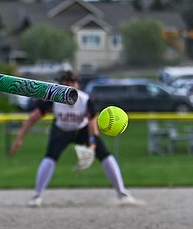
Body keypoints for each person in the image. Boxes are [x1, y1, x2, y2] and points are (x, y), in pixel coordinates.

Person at [8, 69, 141, 207]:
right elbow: (32, 118)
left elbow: (92, 127)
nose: (68, 88)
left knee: (105, 155)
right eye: (64, 84)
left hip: (81, 130)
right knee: (50, 157)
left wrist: (92, 148)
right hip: (61, 131)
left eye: (72, 83)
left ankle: (122, 192)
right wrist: (19, 139)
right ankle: (37, 195)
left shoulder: (85, 100)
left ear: (78, 85)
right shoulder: (53, 99)